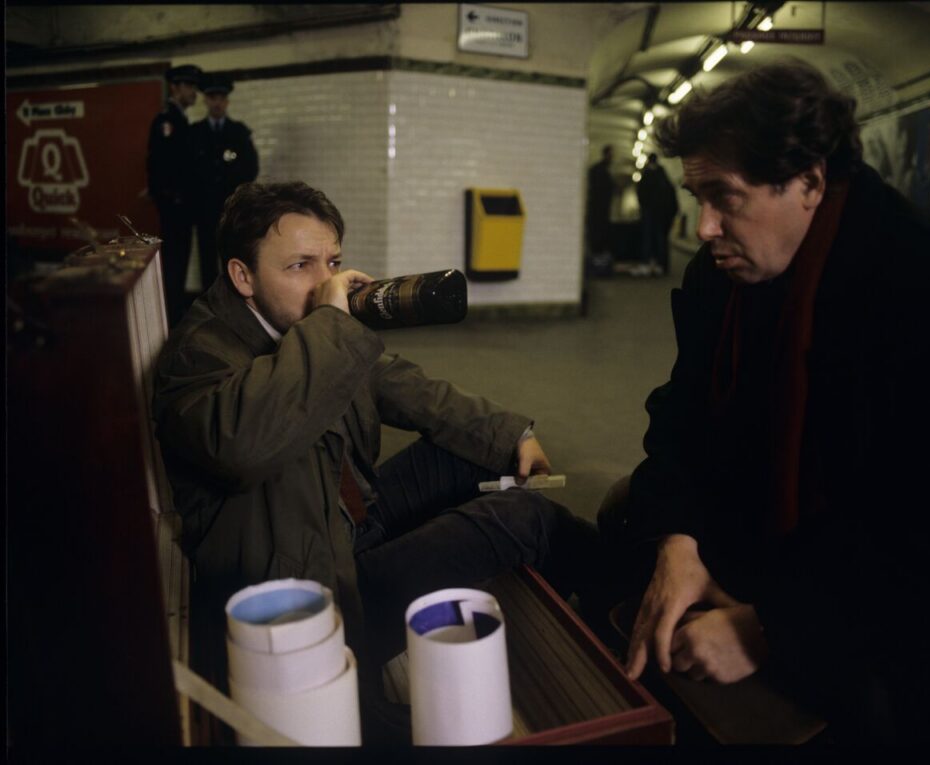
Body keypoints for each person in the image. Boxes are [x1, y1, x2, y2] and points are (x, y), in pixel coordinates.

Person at [602, 61, 930, 746]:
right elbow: (683, 414)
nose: (703, 227)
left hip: (889, 590)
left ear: (811, 182)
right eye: (695, 195)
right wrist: (679, 540)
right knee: (625, 516)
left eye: (724, 197)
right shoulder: (721, 276)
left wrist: (769, 629)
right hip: (775, 533)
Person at [152, 180, 599, 738]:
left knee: (479, 455)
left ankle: (568, 608)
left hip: (351, 522)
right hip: (327, 589)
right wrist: (333, 325)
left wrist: (511, 434)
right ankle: (616, 604)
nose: (324, 282)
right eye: (299, 265)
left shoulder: (307, 327)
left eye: (332, 261)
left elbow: (401, 383)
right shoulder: (199, 356)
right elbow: (245, 444)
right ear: (242, 277)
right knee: (524, 517)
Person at [190, 74, 259, 293]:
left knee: (232, 258)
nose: (217, 102)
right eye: (212, 97)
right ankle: (209, 307)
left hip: (231, 210)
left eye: (221, 98)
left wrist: (237, 198)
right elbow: (187, 171)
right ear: (205, 101)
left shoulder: (238, 132)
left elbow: (251, 169)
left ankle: (233, 306)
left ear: (227, 101)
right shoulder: (195, 133)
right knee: (206, 260)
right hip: (204, 208)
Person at [147, 64, 202, 327]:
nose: (194, 92)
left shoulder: (180, 120)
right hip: (175, 207)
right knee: (174, 263)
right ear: (175, 88)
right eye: (189, 86)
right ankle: (170, 317)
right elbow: (158, 166)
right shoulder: (167, 121)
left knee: (179, 262)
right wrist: (169, 199)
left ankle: (174, 313)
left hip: (184, 206)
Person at [636, 153, 679, 276]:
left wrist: (643, 209)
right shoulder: (663, 176)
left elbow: (641, 194)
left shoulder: (646, 175)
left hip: (650, 214)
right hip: (662, 215)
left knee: (648, 238)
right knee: (661, 239)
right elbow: (671, 195)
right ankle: (661, 265)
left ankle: (647, 263)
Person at [585, 144, 616, 274]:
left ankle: (597, 264)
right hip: (599, 212)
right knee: (598, 238)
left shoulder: (597, 170)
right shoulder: (601, 171)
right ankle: (598, 266)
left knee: (597, 238)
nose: (613, 157)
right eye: (611, 154)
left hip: (597, 211)